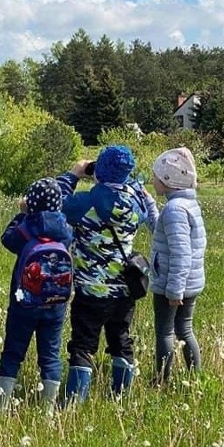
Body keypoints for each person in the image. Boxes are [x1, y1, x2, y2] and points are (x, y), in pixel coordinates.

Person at [57, 145, 158, 403]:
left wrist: (74, 175)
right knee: (121, 339)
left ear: (99, 170)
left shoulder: (86, 202)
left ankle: (74, 400)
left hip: (91, 289)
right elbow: (143, 199)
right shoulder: (135, 204)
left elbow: (55, 201)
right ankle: (121, 395)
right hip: (124, 289)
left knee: (83, 345)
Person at [0, 178, 74, 413]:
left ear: (30, 202)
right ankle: (48, 408)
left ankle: (2, 405)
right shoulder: (65, 230)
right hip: (55, 304)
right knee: (50, 354)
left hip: (24, 302)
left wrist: (22, 215)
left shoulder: (25, 228)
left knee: (13, 351)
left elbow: (7, 239)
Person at [149, 147, 207, 383]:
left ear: (168, 180)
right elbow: (164, 232)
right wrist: (151, 207)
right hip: (189, 281)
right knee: (185, 329)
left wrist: (174, 290)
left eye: (156, 175)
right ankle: (195, 378)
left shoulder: (174, 210)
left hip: (171, 284)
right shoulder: (186, 204)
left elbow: (181, 252)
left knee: (165, 332)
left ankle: (162, 379)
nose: (153, 179)